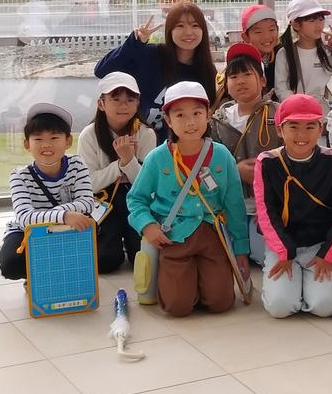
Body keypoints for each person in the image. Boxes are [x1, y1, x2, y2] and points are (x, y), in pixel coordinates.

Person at [126, 82, 250, 317]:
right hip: (173, 236)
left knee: (221, 302)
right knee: (177, 306)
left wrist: (240, 249)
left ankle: (197, 282)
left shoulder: (222, 155)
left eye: (197, 113)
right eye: (180, 115)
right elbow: (136, 199)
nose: (190, 122)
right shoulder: (157, 158)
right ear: (168, 120)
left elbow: (234, 205)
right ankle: (178, 280)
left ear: (208, 115)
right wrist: (148, 226)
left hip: (212, 234)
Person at [253, 94, 332, 318]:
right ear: (280, 130)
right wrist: (284, 252)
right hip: (282, 247)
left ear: (320, 129)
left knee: (325, 306)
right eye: (293, 126)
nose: (302, 134)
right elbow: (266, 212)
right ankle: (296, 285)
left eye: (310, 126)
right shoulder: (267, 162)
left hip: (320, 245)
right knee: (280, 307)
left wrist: (328, 254)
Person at [0, 103, 97, 280]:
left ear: (68, 141)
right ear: (27, 144)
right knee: (11, 264)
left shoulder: (77, 164)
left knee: (102, 255)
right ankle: (38, 275)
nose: (46, 145)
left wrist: (60, 216)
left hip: (66, 228)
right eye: (38, 139)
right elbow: (24, 218)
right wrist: (64, 215)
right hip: (28, 231)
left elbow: (87, 202)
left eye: (54, 138)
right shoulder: (19, 176)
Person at [95, 2, 218, 141]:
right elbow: (102, 71)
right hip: (134, 141)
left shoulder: (206, 71)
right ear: (169, 30)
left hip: (174, 148)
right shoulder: (151, 55)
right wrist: (135, 43)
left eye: (195, 25)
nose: (188, 32)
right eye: (180, 26)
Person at [210, 43, 282, 266]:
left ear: (263, 80)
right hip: (229, 206)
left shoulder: (279, 114)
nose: (240, 81)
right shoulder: (217, 121)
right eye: (233, 76)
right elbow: (205, 171)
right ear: (226, 84)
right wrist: (234, 171)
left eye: (247, 74)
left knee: (263, 256)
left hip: (270, 205)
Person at [78, 72, 157, 273]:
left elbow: (149, 186)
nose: (124, 105)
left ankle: (129, 240)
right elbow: (89, 184)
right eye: (115, 99)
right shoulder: (89, 135)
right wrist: (121, 164)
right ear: (101, 103)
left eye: (130, 99)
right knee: (105, 260)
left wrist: (129, 161)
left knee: (143, 255)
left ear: (138, 103)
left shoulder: (146, 133)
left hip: (136, 198)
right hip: (102, 200)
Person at [274, 0, 332, 115]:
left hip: (319, 112)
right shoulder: (284, 53)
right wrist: (297, 105)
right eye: (312, 21)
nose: (318, 25)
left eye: (321, 19)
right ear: (295, 25)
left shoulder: (327, 53)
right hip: (293, 112)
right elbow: (281, 88)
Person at [239, 3, 280, 97]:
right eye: (258, 32)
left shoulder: (283, 54)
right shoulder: (240, 61)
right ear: (245, 37)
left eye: (272, 29)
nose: (267, 37)